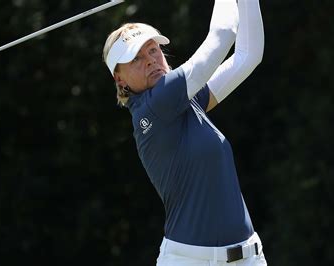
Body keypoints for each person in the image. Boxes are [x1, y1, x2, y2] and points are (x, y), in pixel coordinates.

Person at [102, 0, 266, 265]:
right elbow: (223, 35)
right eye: (136, 58)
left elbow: (248, 55)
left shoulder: (185, 101)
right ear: (120, 80)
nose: (151, 61)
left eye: (154, 50)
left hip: (248, 257)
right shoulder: (153, 105)